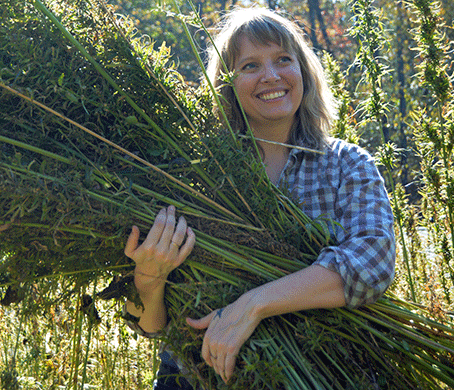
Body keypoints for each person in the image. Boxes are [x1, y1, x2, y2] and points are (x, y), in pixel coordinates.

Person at [123, 7, 396, 390]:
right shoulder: (195, 173)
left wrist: (253, 305)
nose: (271, 76)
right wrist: (149, 281)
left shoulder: (346, 165)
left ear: (303, 71)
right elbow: (154, 329)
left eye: (283, 60)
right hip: (196, 379)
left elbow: (373, 264)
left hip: (320, 375)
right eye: (250, 65)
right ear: (228, 85)